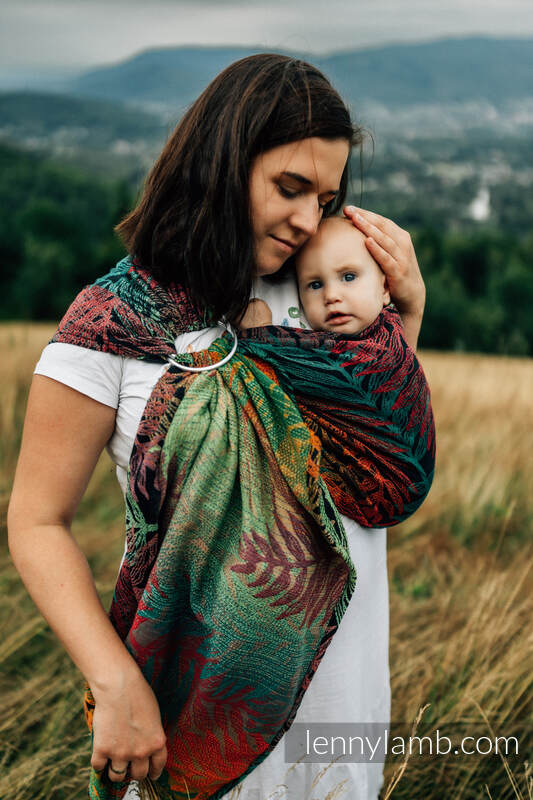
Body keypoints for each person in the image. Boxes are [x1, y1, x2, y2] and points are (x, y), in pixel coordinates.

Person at [7, 54, 427, 800]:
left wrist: (405, 320)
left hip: (342, 709)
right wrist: (114, 684)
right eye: (288, 187)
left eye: (325, 196)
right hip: (191, 709)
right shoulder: (111, 326)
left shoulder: (326, 292)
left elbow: (372, 472)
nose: (306, 219)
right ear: (222, 161)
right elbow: (37, 522)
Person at [239, 216, 391, 334]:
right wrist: (261, 330)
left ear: (384, 288)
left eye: (349, 277)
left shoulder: (394, 341)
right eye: (315, 285)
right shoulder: (305, 339)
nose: (331, 296)